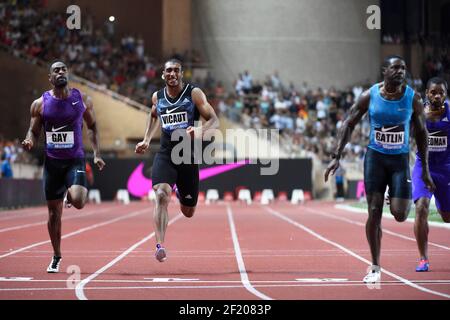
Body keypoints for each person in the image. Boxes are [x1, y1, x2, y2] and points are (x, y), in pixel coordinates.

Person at [324, 56, 435, 283]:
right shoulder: (369, 95)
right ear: (384, 70)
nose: (400, 72)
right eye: (395, 68)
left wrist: (425, 167)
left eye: (403, 68)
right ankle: (375, 266)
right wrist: (336, 156)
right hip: (375, 158)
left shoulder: (413, 99)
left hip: (399, 161)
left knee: (400, 214)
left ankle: (392, 195)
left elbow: (422, 134)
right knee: (373, 212)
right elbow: (349, 122)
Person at [21, 61, 105, 273]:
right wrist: (30, 140)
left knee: (78, 201)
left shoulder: (82, 99)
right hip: (52, 164)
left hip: (75, 160)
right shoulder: (40, 104)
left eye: (63, 69)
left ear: (68, 74)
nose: (60, 72)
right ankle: (57, 255)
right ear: (50, 77)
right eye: (56, 70)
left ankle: (71, 192)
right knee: (53, 214)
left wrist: (96, 154)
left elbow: (93, 126)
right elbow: (33, 131)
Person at [135, 59, 219, 262]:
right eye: (168, 71)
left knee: (188, 211)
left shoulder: (194, 94)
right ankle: (159, 245)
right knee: (161, 194)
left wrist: (199, 130)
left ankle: (181, 193)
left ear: (181, 74)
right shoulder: (158, 97)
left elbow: (214, 120)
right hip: (165, 155)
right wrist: (147, 139)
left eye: (176, 70)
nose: (172, 74)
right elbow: (153, 114)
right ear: (163, 75)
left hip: (187, 157)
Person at [413, 77, 450, 272]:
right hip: (422, 167)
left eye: (441, 93)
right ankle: (423, 258)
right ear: (427, 93)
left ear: (445, 95)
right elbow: (407, 139)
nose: (437, 96)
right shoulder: (418, 112)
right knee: (421, 208)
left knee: (447, 217)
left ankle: (442, 202)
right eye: (433, 92)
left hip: (445, 168)